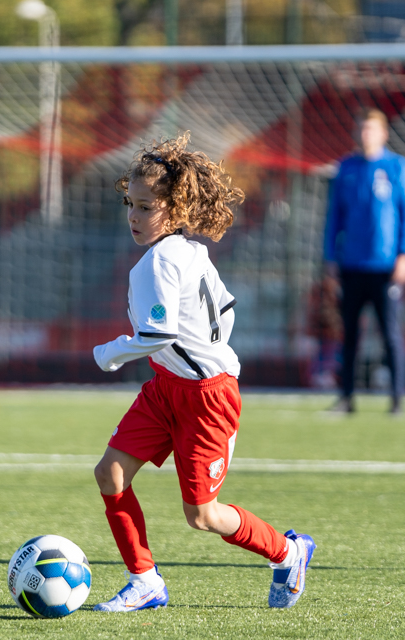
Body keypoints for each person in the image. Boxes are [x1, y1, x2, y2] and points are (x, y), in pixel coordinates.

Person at [91, 133, 315, 612]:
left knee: (203, 515)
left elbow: (158, 335)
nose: (134, 215)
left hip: (206, 396)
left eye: (146, 207)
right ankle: (145, 580)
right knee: (110, 473)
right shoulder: (192, 252)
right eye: (130, 203)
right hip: (168, 387)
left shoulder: (159, 261)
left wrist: (110, 352)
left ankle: (288, 552)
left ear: (175, 208)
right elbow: (226, 312)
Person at [323, 108, 405, 414]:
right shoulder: (346, 168)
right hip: (352, 265)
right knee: (350, 334)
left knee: (390, 334)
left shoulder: (397, 167)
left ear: (383, 133)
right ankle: (346, 398)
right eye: (361, 128)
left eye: (371, 128)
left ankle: (397, 400)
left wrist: (402, 256)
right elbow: (335, 217)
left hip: (386, 268)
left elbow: (404, 214)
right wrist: (331, 257)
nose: (365, 134)